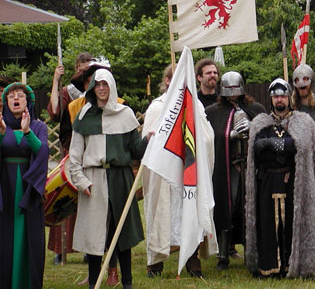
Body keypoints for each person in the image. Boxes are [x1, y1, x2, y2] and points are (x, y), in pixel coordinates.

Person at [245, 78, 315, 278]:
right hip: (267, 182)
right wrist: (282, 145)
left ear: (289, 97)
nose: (279, 100)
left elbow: (298, 146)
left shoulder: (303, 122)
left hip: (294, 182)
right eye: (276, 96)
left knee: (293, 225)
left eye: (283, 95)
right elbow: (258, 150)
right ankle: (270, 268)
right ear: (271, 98)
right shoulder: (260, 123)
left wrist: (273, 144)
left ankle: (292, 265)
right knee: (267, 224)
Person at [69, 69, 149, 289]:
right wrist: (82, 182)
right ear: (93, 88)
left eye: (105, 84)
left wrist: (150, 138)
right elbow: (75, 156)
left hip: (120, 177)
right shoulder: (84, 115)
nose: (101, 89)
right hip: (94, 178)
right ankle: (94, 282)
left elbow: (136, 150)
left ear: (112, 86)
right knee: (95, 236)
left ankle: (128, 283)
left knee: (121, 232)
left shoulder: (125, 114)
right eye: (98, 85)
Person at [141, 65, 203, 278]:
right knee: (160, 216)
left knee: (189, 214)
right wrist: (152, 139)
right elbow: (147, 141)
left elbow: (206, 137)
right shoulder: (158, 107)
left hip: (187, 171)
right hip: (163, 174)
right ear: (167, 81)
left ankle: (193, 263)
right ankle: (155, 265)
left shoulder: (195, 105)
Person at [205, 71, 266, 270]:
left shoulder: (255, 108)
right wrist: (228, 134)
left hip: (250, 167)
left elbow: (267, 133)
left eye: (235, 90)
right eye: (228, 91)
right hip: (227, 167)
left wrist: (253, 127)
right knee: (226, 208)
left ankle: (251, 252)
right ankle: (223, 254)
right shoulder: (213, 111)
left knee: (250, 207)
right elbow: (208, 138)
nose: (232, 94)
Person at [0, 83, 49, 288]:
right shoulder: (0, 125)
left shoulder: (38, 126)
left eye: (20, 95)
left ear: (27, 101)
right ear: (5, 103)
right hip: (5, 191)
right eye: (11, 96)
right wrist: (2, 134)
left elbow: (43, 151)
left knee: (30, 239)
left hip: (29, 190)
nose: (15, 98)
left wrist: (28, 132)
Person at [46, 52, 92, 266]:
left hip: (91, 151)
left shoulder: (96, 90)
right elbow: (54, 113)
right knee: (64, 198)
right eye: (81, 69)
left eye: (88, 70)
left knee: (88, 201)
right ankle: (60, 249)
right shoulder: (66, 91)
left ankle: (88, 248)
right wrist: (56, 80)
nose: (84, 73)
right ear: (75, 69)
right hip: (70, 150)